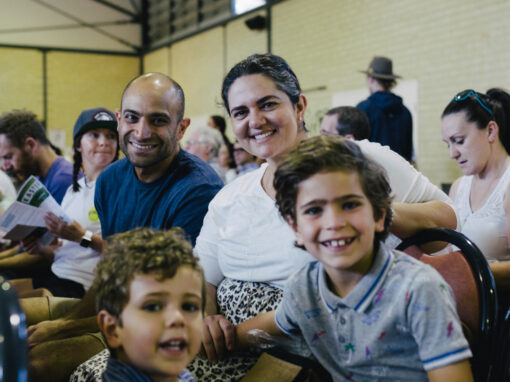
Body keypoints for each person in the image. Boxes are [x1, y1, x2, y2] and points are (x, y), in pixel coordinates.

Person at [192, 53, 457, 381]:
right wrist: (207, 325)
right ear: (295, 227)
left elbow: (446, 220)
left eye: (268, 104)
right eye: (241, 112)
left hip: (314, 361)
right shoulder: (233, 198)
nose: (256, 120)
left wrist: (369, 209)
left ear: (299, 106)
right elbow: (206, 275)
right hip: (240, 352)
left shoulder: (358, 160)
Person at [25, 72, 223, 382]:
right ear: (119, 119)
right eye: (132, 117)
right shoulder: (110, 180)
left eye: (158, 120)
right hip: (113, 307)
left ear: (181, 128)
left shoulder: (197, 190)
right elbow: (113, 269)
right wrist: (67, 324)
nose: (142, 132)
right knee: (10, 322)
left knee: (34, 363)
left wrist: (65, 328)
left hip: (152, 326)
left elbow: (160, 303)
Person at [233, 135, 473, 381]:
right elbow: (272, 324)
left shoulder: (418, 289)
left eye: (349, 205)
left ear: (380, 215)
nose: (334, 223)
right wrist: (218, 337)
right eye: (314, 210)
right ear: (295, 227)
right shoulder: (304, 288)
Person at [0, 107, 119, 298]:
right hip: (56, 275)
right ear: (79, 145)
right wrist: (42, 250)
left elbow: (124, 252)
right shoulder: (74, 190)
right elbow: (63, 253)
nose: (104, 142)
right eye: (95, 135)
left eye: (111, 136)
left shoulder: (119, 189)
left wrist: (82, 236)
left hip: (79, 286)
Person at [73, 227, 203, 382]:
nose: (178, 318)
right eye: (153, 307)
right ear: (112, 329)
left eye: (189, 307)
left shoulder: (183, 376)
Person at [441, 89, 510, 291]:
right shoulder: (458, 187)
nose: (452, 154)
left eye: (459, 141)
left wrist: (465, 272)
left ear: (490, 131)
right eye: (448, 144)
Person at [0, 109, 74, 203]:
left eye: (8, 157)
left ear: (30, 145)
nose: (5, 167)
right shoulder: (39, 178)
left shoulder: (64, 180)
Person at [357, 56, 414, 162]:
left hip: (373, 175)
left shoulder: (363, 109)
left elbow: (357, 151)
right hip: (400, 174)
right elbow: (408, 152)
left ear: (370, 79)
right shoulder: (406, 112)